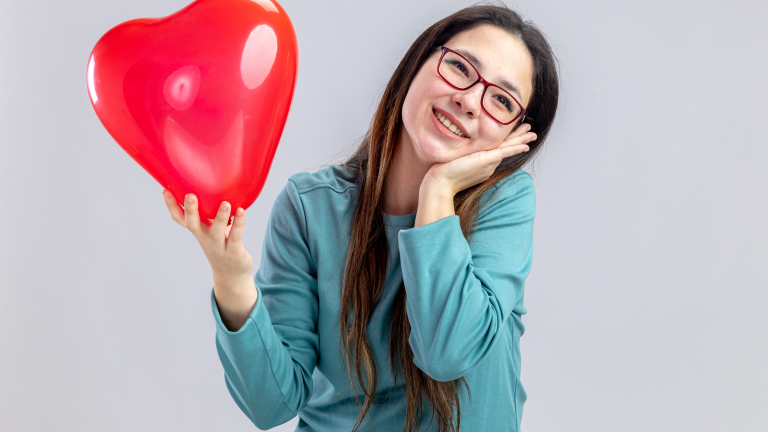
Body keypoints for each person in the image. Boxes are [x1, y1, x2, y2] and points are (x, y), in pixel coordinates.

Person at [162, 4, 559, 431]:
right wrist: (232, 279)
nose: (469, 100)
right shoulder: (310, 207)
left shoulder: (505, 202)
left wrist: (438, 191)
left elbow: (447, 353)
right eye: (460, 68)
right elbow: (271, 404)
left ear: (516, 137)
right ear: (417, 64)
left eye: (501, 100)